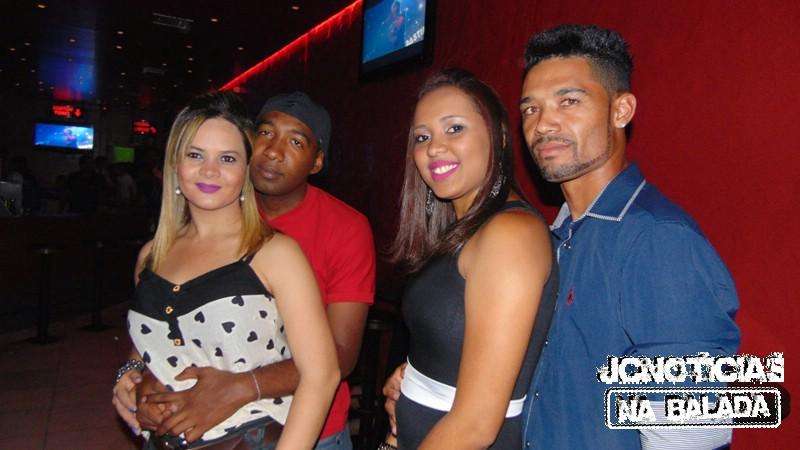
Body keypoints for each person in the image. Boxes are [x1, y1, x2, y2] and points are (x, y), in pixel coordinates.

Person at [516, 25, 740, 449]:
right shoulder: (552, 237)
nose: (543, 124)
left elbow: (691, 437)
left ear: (621, 110)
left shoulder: (658, 242)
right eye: (530, 109)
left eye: (569, 101)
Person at [115, 91, 376, 450]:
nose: (274, 151)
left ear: (317, 161)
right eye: (266, 133)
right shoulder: (157, 252)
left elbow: (334, 362)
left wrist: (237, 388)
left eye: (295, 141)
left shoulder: (299, 243)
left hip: (289, 428)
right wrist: (133, 374)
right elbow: (161, 334)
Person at [387, 68, 557, 449]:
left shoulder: (510, 234)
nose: (434, 147)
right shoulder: (459, 229)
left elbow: (476, 424)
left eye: (455, 128)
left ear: (498, 137)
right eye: (422, 137)